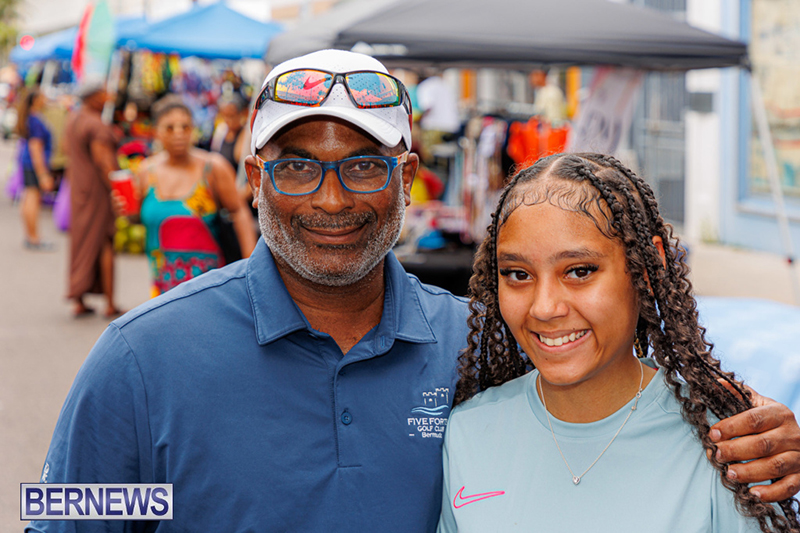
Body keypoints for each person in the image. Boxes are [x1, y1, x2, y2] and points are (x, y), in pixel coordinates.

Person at [26, 51, 800, 533]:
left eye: (364, 165)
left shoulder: (477, 347)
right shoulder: (141, 358)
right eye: (298, 165)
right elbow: (73, 515)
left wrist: (765, 431)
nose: (332, 199)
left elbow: (609, 401)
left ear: (406, 181)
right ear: (255, 179)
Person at [438, 153, 800, 532]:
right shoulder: (468, 432)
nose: (544, 308)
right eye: (517, 274)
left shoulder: (732, 444)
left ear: (647, 268)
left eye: (579, 271)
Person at [131, 94, 256, 297]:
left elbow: (239, 212)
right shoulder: (145, 172)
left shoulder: (213, 167)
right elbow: (137, 217)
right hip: (162, 286)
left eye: (186, 127)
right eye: (170, 128)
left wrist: (250, 266)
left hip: (209, 287)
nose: (179, 133)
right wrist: (123, 210)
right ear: (156, 132)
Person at [65, 82, 122, 318]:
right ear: (94, 97)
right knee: (105, 242)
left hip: (79, 190)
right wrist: (117, 189)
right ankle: (109, 302)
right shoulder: (96, 124)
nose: (108, 96)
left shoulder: (75, 119)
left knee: (81, 241)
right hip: (97, 192)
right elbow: (104, 161)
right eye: (103, 93)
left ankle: (79, 297)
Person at [16, 87, 55, 250]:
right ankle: (33, 237)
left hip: (27, 162)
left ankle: (31, 235)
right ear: (36, 100)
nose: (46, 99)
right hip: (33, 164)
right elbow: (36, 148)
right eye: (43, 97)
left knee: (28, 198)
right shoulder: (36, 120)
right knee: (32, 198)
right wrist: (43, 173)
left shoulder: (31, 118)